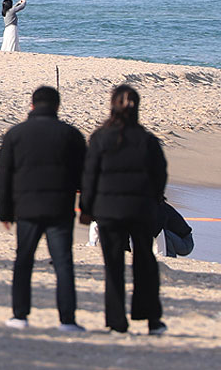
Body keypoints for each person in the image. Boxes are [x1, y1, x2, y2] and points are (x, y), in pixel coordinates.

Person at [0, 85, 88, 332]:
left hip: (26, 209)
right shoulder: (71, 135)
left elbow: (3, 175)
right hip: (60, 209)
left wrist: (4, 212)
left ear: (32, 105)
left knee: (24, 261)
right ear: (57, 106)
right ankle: (67, 321)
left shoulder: (16, 134)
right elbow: (86, 176)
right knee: (63, 264)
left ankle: (19, 316)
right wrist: (87, 208)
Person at [80, 84, 168, 335]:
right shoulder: (147, 140)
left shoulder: (100, 138)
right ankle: (151, 318)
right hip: (141, 209)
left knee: (114, 264)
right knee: (145, 262)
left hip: (109, 211)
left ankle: (117, 321)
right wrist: (154, 200)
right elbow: (160, 175)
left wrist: (86, 208)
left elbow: (89, 177)